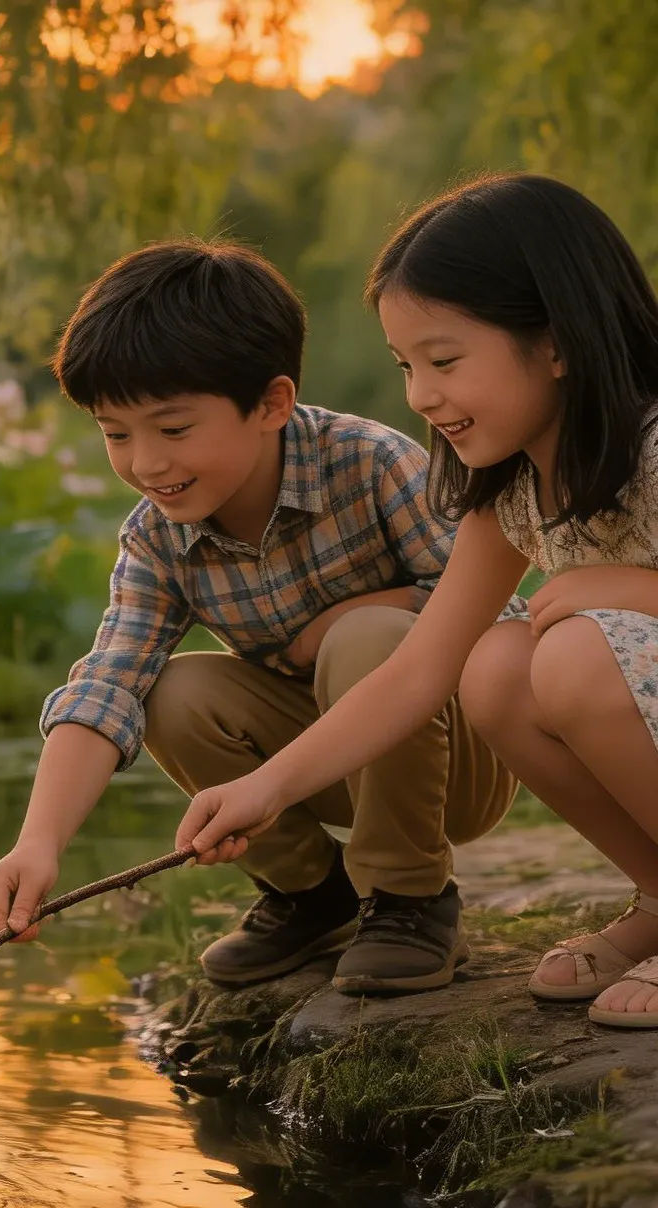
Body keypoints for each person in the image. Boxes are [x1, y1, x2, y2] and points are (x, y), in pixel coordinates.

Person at [178, 173, 658, 1028]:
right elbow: (415, 674)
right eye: (407, 367)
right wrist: (268, 788)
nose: (419, 397)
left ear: (555, 343)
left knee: (574, 649)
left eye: (443, 361)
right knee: (495, 664)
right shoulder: (513, 491)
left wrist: (616, 587)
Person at [0, 239, 517, 993]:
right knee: (166, 691)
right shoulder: (157, 535)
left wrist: (361, 613)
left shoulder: (369, 463)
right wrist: (37, 843)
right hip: (310, 768)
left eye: (172, 430)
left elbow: (501, 611)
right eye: (115, 434)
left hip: (453, 757)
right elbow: (106, 684)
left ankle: (410, 899)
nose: (146, 464)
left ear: (272, 403)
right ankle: (311, 897)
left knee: (368, 637)